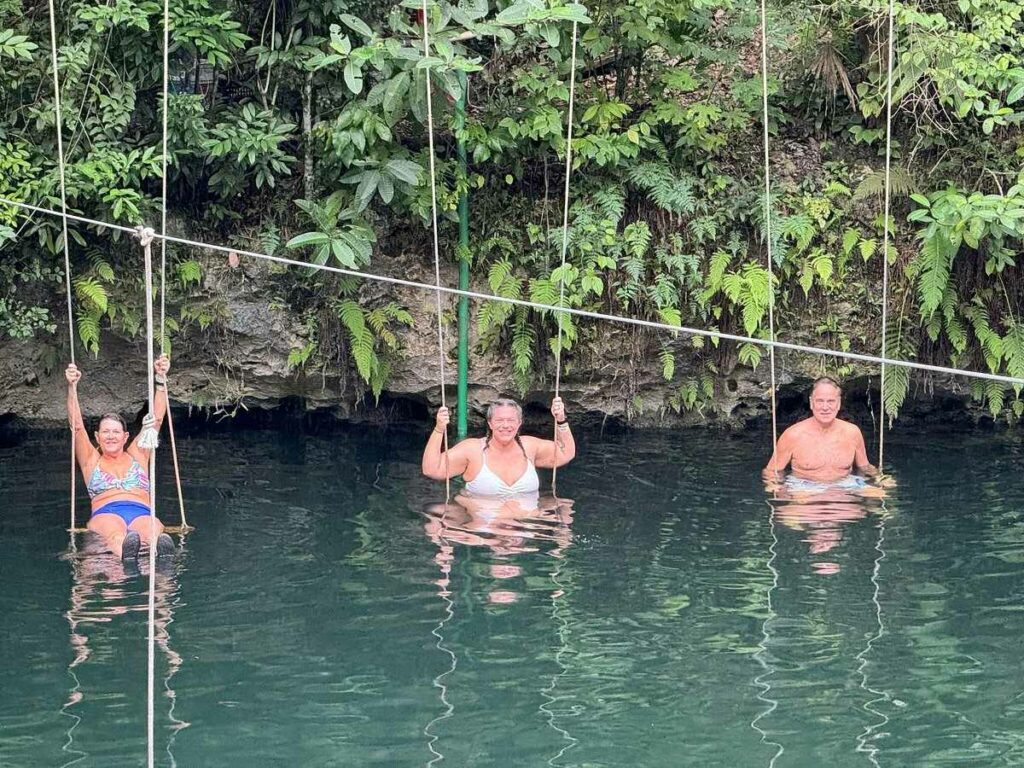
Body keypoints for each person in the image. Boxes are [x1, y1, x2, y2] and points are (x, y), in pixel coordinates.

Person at [65, 355, 175, 560]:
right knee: (116, 535)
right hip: (106, 513)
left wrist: (160, 380)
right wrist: (72, 388)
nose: (110, 436)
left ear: (125, 437)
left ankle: (160, 556)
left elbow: (156, 420)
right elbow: (77, 427)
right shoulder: (91, 460)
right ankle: (127, 557)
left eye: (115, 432)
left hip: (141, 511)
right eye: (105, 432)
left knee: (152, 530)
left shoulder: (138, 454)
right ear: (97, 437)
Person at [421, 397, 575, 495]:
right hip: (485, 535)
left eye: (511, 420)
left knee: (564, 508)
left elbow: (566, 453)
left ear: (519, 423)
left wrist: (561, 420)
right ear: (490, 423)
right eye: (500, 420)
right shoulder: (472, 450)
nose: (505, 425)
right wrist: (439, 429)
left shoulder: (529, 446)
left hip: (527, 530)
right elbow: (431, 469)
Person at [763, 376, 878, 490]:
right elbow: (772, 471)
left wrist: (881, 478)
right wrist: (781, 493)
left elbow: (865, 467)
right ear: (811, 403)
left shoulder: (852, 432)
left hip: (844, 484)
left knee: (879, 495)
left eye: (831, 401)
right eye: (820, 401)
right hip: (804, 486)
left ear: (838, 403)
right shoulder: (792, 435)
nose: (825, 407)